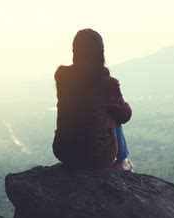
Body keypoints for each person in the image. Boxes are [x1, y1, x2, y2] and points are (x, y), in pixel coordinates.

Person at [52, 28, 133, 171]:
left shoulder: (62, 77)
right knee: (114, 113)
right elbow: (125, 115)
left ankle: (121, 159)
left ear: (75, 51)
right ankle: (122, 161)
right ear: (100, 52)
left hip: (64, 151)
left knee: (101, 109)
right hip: (96, 157)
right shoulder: (107, 83)